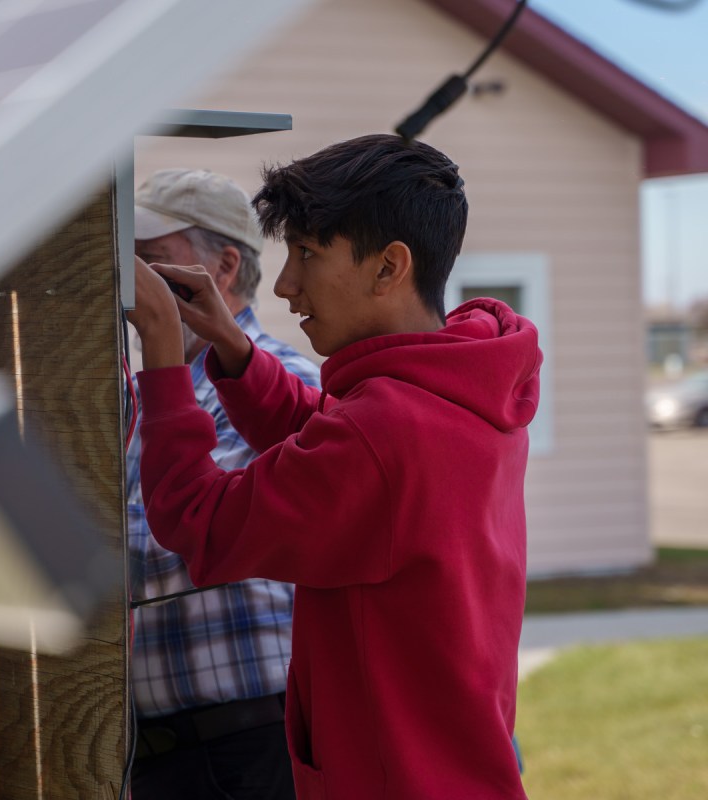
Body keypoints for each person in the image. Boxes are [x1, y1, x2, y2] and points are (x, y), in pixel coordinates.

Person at [126, 134, 539, 800]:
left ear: (388, 268)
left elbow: (197, 521)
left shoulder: (386, 430)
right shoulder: (458, 391)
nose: (287, 285)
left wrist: (167, 360)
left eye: (309, 254)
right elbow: (328, 435)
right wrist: (233, 348)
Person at [126, 168, 320, 800]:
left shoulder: (287, 382)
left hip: (248, 743)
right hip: (165, 748)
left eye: (152, 264)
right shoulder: (143, 397)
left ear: (226, 266)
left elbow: (186, 538)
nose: (132, 287)